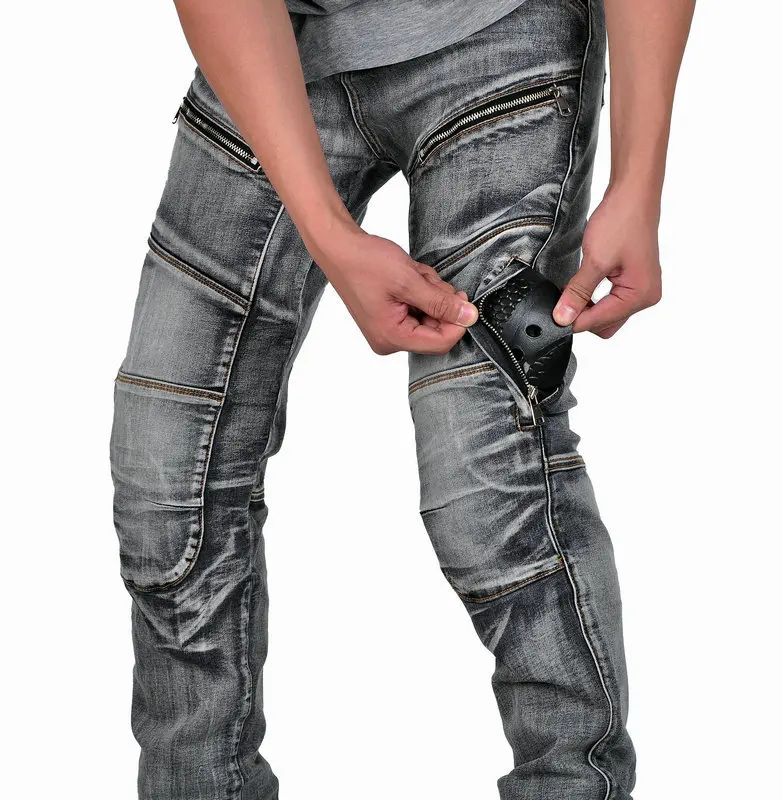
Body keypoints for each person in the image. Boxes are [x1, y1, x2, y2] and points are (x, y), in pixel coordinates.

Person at [109, 0, 694, 797]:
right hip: (277, 43)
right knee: (164, 482)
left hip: (499, 29)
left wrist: (639, 174)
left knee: (485, 480)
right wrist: (328, 233)